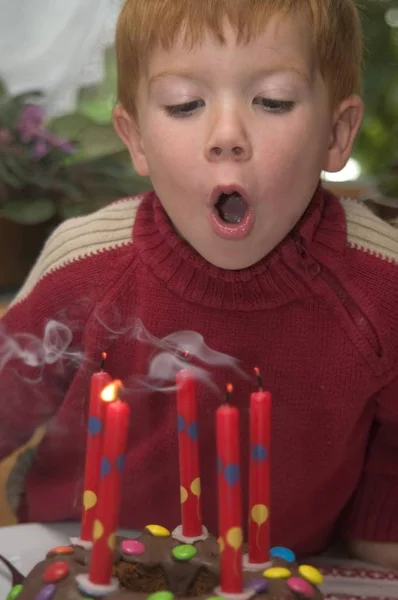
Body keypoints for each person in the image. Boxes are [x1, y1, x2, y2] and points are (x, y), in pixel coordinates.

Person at [1, 0, 397, 568]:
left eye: (273, 101)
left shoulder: (384, 287)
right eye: (185, 104)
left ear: (336, 133)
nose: (227, 135)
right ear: (135, 138)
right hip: (76, 555)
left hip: (281, 568)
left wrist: (378, 536)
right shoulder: (83, 265)